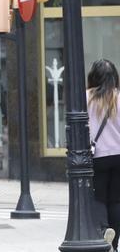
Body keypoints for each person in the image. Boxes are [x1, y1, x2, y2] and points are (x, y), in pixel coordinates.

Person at [87, 58, 120, 250]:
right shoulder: (119, 97)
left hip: (97, 156)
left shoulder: (86, 98)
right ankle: (114, 243)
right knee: (116, 199)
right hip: (119, 156)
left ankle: (103, 231)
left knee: (98, 197)